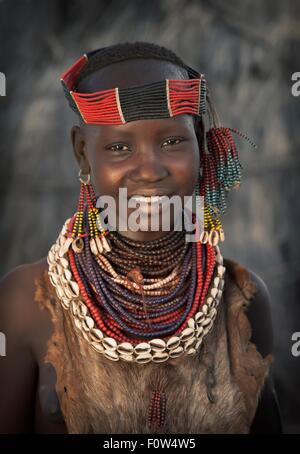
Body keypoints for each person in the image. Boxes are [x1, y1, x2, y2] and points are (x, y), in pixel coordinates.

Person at [0, 41, 282, 434]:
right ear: (82, 153)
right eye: (119, 147)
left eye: (172, 141)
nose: (149, 171)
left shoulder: (243, 297)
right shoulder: (25, 301)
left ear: (201, 143)